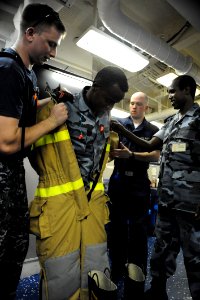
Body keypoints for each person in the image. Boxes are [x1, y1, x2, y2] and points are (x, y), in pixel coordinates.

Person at [29, 66, 128, 300]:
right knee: (60, 272)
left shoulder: (106, 115)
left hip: (92, 205)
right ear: (96, 85)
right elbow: (36, 152)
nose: (110, 106)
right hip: (60, 205)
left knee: (93, 266)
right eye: (109, 98)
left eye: (116, 102)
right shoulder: (62, 107)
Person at [111, 75, 200, 300]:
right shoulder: (171, 121)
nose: (169, 96)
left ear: (188, 90)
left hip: (191, 205)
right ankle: (158, 291)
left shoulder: (199, 119)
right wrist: (123, 131)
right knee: (161, 251)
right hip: (167, 201)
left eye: (172, 91)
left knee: (195, 257)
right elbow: (150, 144)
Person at [0, 3, 67, 299]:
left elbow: (23, 109)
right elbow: (6, 141)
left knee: (14, 247)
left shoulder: (25, 74)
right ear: (30, 33)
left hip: (10, 177)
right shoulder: (7, 70)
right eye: (50, 44)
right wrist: (52, 121)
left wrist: (49, 103)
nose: (53, 53)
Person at [107, 92, 160, 299]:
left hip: (139, 184)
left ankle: (137, 273)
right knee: (116, 229)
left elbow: (155, 155)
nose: (134, 107)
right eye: (131, 103)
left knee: (138, 231)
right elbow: (109, 145)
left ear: (147, 107)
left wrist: (132, 155)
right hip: (119, 182)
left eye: (139, 104)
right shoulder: (119, 124)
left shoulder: (153, 130)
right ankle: (117, 268)